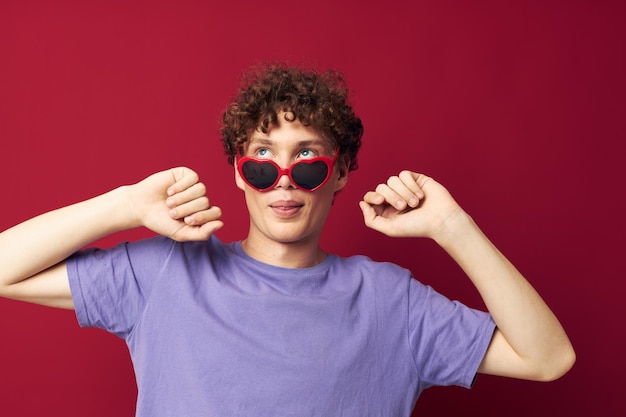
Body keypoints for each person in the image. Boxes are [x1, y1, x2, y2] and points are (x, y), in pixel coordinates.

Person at [0, 64, 574, 416]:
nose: (282, 182)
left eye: (306, 161)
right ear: (237, 172)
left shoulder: (391, 301)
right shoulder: (166, 275)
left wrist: (453, 227)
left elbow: (550, 359)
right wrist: (123, 205)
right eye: (260, 160)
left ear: (341, 172)